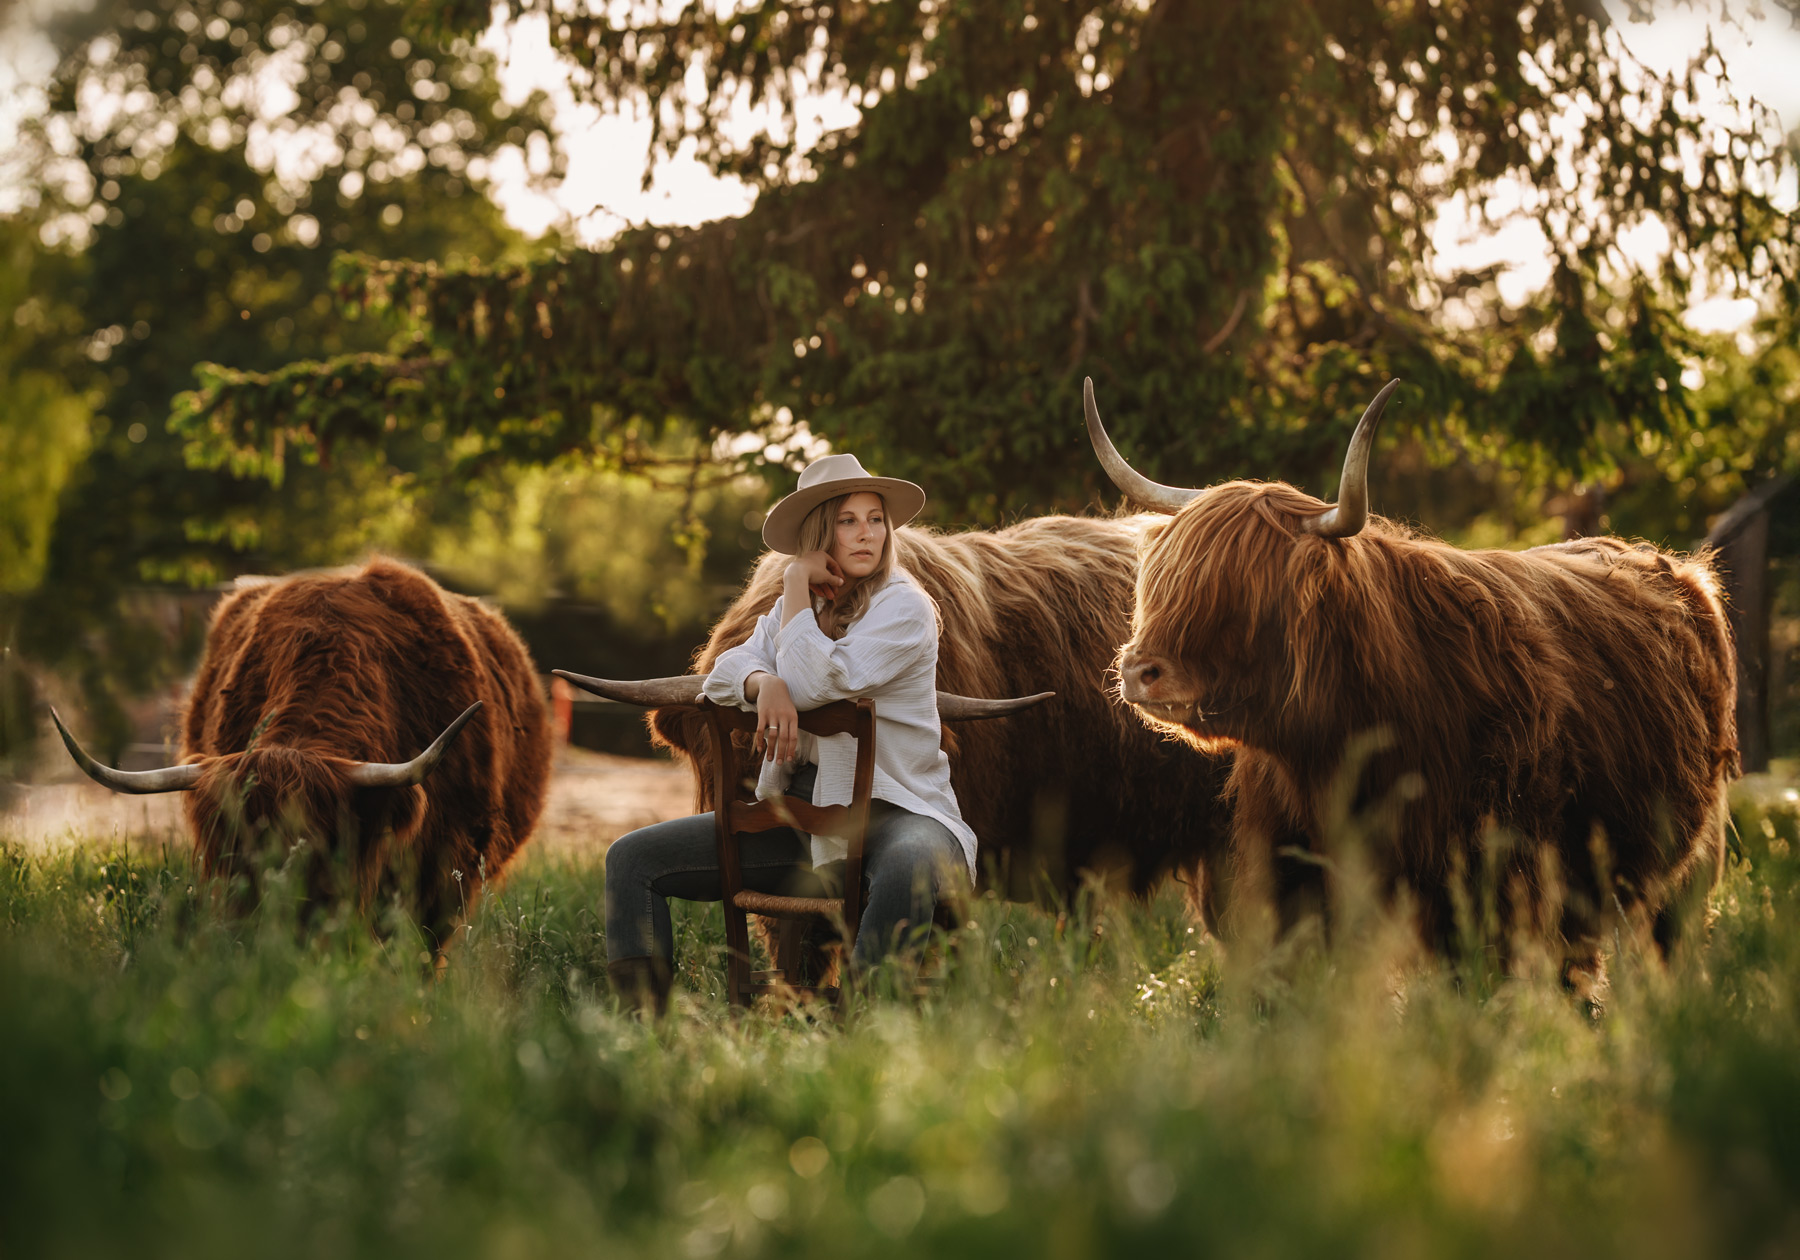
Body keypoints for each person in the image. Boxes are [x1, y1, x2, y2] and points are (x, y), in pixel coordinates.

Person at [603, 454, 977, 1013]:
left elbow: (815, 681)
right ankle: (643, 1024)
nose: (867, 533)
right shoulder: (788, 611)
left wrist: (795, 586)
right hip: (803, 823)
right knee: (631, 859)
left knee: (912, 864)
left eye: (875, 519)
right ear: (818, 533)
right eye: (847, 520)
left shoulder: (906, 607)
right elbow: (725, 672)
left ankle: (868, 1026)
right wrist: (760, 682)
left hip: (900, 815)